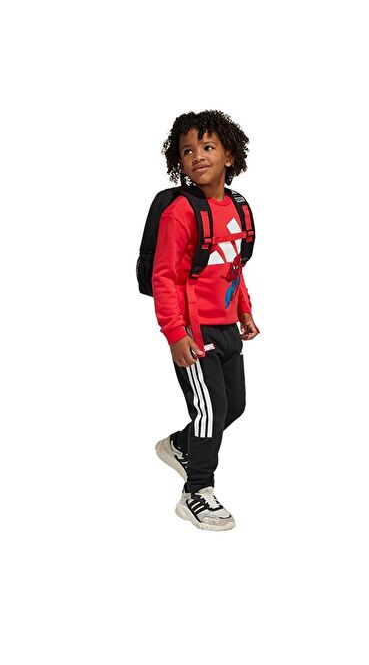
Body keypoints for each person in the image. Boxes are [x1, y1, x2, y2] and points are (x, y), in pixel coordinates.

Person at [152, 110, 259, 531]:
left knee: (234, 405)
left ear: (229, 156)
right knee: (210, 410)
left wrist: (244, 308)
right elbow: (164, 277)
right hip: (194, 333)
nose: (197, 156)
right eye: (187, 151)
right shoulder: (180, 212)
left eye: (208, 147)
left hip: (227, 326)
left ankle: (181, 445)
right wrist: (174, 333)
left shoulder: (238, 207)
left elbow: (233, 266)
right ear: (179, 162)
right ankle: (196, 490)